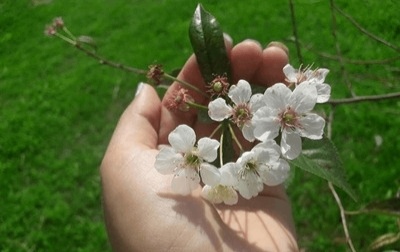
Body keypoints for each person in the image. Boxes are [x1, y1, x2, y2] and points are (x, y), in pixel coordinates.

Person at [100, 38, 299, 251]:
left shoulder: (247, 124)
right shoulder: (209, 148)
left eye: (191, 158)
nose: (191, 159)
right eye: (191, 158)